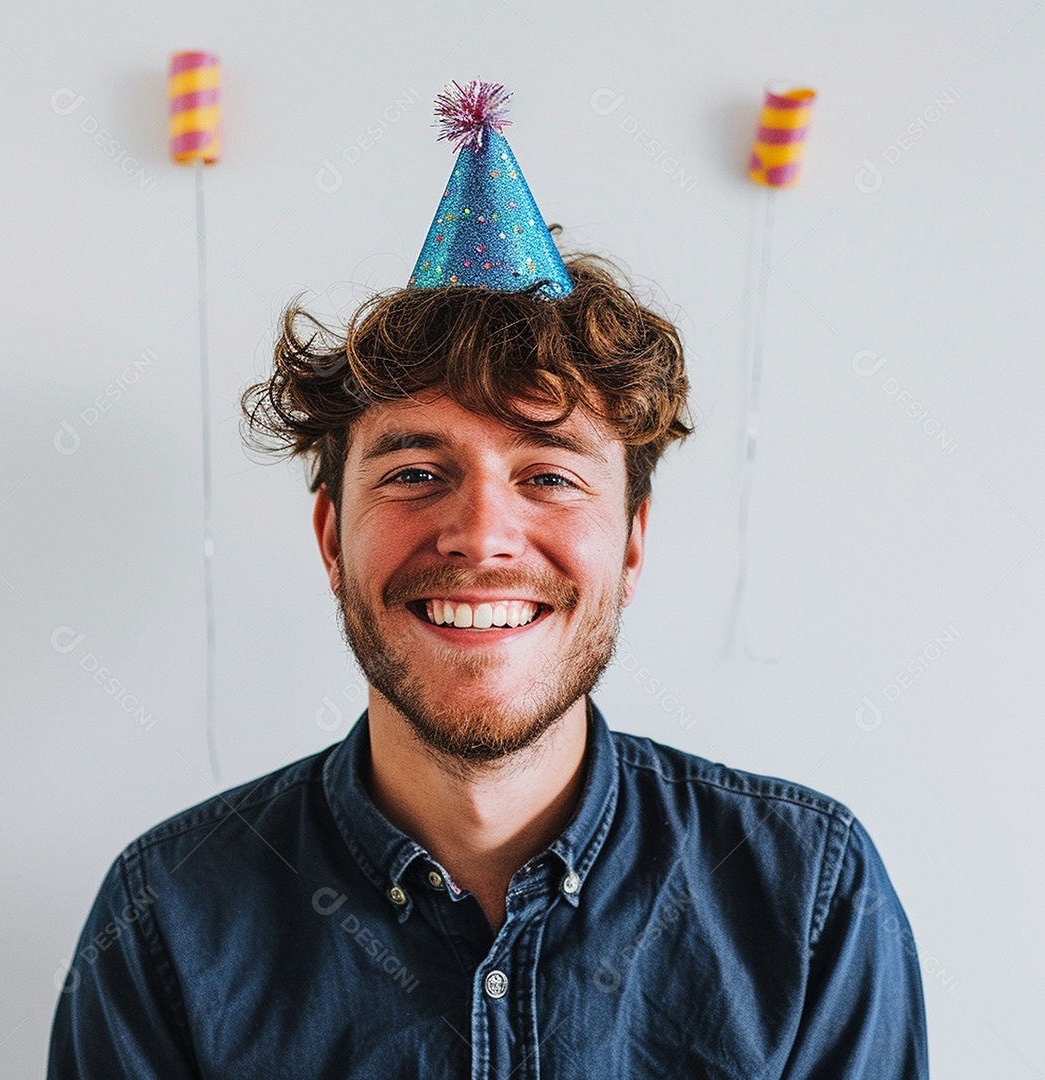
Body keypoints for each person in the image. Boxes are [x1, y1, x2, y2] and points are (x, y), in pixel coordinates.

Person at [48, 83, 928, 1078]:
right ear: (333, 537)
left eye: (548, 477)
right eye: (418, 474)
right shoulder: (165, 918)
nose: (479, 536)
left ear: (631, 544)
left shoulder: (810, 897)